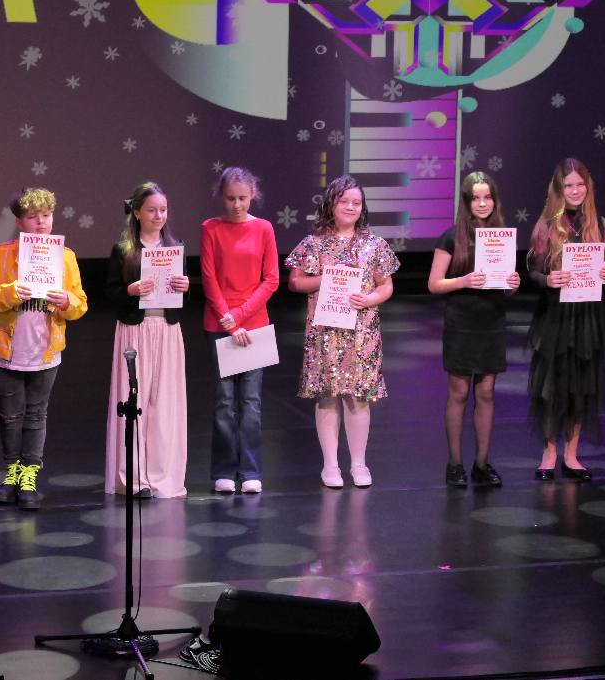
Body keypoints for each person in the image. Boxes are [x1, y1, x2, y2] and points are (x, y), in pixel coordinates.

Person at [0, 188, 88, 509]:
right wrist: (8, 293)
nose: (41, 222)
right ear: (20, 222)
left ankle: (29, 476)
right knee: (10, 416)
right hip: (4, 351)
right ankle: (11, 473)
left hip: (44, 352)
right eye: (33, 217)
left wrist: (67, 301)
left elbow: (80, 303)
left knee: (36, 415)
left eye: (46, 215)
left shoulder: (65, 257)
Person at [285, 175, 398, 489]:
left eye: (356, 202)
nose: (350, 207)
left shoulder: (374, 244)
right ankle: (330, 465)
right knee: (328, 395)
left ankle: (359, 463)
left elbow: (386, 285)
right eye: (344, 201)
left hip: (362, 332)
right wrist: (326, 278)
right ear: (331, 204)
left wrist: (370, 299)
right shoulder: (314, 243)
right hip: (325, 331)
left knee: (358, 397)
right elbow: (295, 282)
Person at [526, 158, 605, 481]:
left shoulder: (601, 226)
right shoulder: (546, 226)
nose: (576, 191)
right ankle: (549, 452)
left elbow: (604, 269)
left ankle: (572, 453)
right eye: (569, 186)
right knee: (552, 385)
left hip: (588, 317)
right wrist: (547, 279)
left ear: (588, 187)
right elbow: (532, 271)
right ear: (559, 189)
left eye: (580, 184)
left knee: (583, 384)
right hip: (556, 316)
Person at [427, 172, 519, 488]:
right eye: (476, 198)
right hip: (462, 323)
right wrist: (463, 281)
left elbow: (505, 285)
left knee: (486, 391)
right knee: (460, 392)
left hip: (492, 321)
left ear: (494, 200)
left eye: (487, 197)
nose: (482, 203)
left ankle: (482, 463)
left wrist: (512, 283)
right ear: (466, 202)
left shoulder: (502, 236)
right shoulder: (451, 237)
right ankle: (455, 464)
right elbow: (434, 284)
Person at [104, 182, 190, 499]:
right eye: (152, 210)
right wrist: (130, 290)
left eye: (163, 210)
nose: (158, 216)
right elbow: (111, 292)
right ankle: (133, 476)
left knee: (165, 403)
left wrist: (184, 287)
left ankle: (162, 475)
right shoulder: (124, 249)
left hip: (166, 329)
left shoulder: (174, 247)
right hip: (135, 330)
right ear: (137, 212)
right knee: (134, 399)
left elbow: (180, 297)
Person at [201, 167, 279, 494]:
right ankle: (223, 470)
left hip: (254, 326)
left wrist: (240, 317)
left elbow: (271, 279)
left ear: (253, 196)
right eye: (231, 198)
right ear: (222, 196)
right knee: (224, 403)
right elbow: (209, 279)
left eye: (242, 198)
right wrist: (229, 321)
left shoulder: (264, 229)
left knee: (251, 402)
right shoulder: (211, 228)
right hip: (220, 325)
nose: (237, 205)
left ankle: (250, 470)